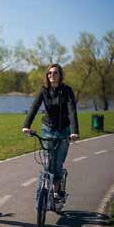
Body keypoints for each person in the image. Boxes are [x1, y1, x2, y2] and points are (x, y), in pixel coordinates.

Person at [22, 63, 79, 200]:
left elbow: (71, 110)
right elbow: (34, 107)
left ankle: (56, 190)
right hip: (47, 129)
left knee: (58, 162)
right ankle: (46, 189)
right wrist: (26, 125)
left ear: (60, 76)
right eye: (49, 73)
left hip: (63, 131)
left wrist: (74, 131)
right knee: (48, 162)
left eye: (55, 73)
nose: (51, 75)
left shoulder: (67, 90)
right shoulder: (44, 91)